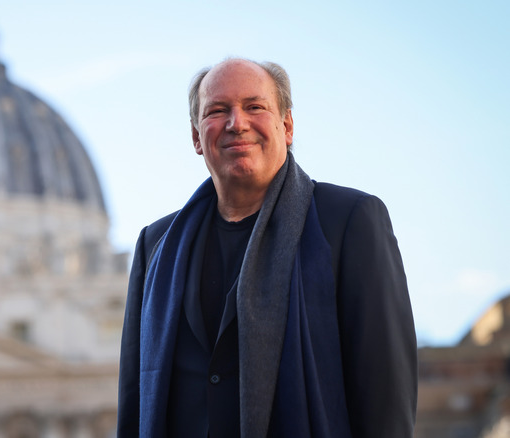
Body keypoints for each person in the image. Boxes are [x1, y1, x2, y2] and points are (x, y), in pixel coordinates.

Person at [117, 58, 417, 437]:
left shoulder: (349, 220)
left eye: (255, 107)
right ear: (196, 137)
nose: (236, 123)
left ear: (287, 126)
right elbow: (133, 402)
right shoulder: (155, 245)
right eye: (217, 110)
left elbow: (385, 394)